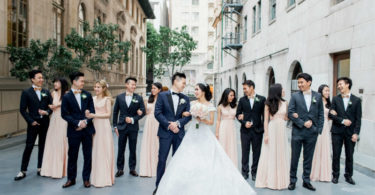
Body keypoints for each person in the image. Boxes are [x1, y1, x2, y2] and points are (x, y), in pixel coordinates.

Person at [156, 83, 256, 195]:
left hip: (204, 132)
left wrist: (201, 118)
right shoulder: (191, 103)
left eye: (197, 89)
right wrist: (185, 114)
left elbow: (211, 122)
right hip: (192, 133)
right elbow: (187, 115)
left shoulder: (210, 105)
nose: (195, 92)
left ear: (203, 91)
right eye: (195, 90)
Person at [153, 72, 192, 195]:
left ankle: (176, 188)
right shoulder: (162, 96)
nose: (185, 85)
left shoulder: (185, 98)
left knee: (178, 161)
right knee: (162, 160)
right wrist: (169, 125)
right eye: (183, 83)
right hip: (165, 133)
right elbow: (157, 113)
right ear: (176, 81)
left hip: (179, 134)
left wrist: (178, 124)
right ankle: (159, 187)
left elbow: (188, 116)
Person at [288, 73, 324, 191]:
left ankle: (306, 181)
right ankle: (292, 180)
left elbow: (321, 114)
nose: (299, 85)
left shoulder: (318, 96)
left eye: (301, 82)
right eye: (298, 82)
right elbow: (290, 113)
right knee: (294, 157)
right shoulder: (295, 96)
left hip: (312, 133)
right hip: (298, 132)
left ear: (309, 82)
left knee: (308, 158)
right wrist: (302, 123)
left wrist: (318, 130)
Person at [15, 70, 52, 181]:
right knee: (29, 146)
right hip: (33, 123)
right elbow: (22, 109)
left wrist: (47, 112)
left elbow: (51, 106)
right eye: (39, 78)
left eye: (42, 78)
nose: (41, 80)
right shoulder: (26, 92)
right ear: (32, 79)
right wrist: (31, 121)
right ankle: (23, 170)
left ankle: (40, 168)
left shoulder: (46, 91)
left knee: (43, 146)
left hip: (45, 123)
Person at [61, 72, 95, 188]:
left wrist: (85, 121)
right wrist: (78, 122)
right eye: (81, 81)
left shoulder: (87, 95)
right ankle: (71, 179)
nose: (83, 83)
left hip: (87, 130)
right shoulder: (66, 97)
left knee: (87, 155)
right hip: (73, 130)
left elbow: (91, 111)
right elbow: (64, 114)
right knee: (72, 155)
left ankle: (86, 179)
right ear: (74, 82)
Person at [255, 83, 290, 190]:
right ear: (277, 91)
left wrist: (291, 116)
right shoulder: (268, 104)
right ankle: (269, 179)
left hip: (281, 129)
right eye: (282, 89)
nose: (284, 90)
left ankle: (280, 180)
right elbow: (265, 120)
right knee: (270, 153)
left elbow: (286, 118)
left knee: (281, 152)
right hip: (272, 129)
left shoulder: (285, 102)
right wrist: (266, 134)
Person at [329, 77, 362, 185]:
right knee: (336, 154)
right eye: (338, 85)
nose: (339, 86)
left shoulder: (357, 100)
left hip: (350, 133)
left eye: (340, 84)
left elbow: (358, 119)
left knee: (349, 155)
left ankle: (348, 176)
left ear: (347, 84)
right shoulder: (335, 99)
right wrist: (342, 120)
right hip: (337, 131)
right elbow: (331, 115)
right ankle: (335, 175)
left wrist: (356, 133)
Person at [113, 77, 145, 178]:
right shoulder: (119, 97)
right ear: (126, 85)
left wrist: (133, 119)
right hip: (121, 126)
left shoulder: (138, 98)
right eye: (132, 84)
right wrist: (115, 126)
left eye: (135, 85)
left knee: (133, 148)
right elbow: (115, 112)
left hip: (133, 127)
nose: (134, 86)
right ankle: (120, 169)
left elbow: (143, 112)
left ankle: (132, 169)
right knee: (121, 149)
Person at [86, 80, 115, 187]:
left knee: (104, 149)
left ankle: (105, 177)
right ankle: (96, 177)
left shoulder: (107, 99)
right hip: (94, 125)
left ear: (103, 88)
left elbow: (108, 114)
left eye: (98, 87)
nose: (96, 89)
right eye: (95, 87)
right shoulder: (92, 99)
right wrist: (88, 114)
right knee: (96, 150)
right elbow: (89, 111)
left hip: (103, 126)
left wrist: (94, 115)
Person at [236, 80, 266, 181]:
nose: (244, 91)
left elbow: (264, 116)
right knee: (245, 152)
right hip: (245, 131)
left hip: (257, 131)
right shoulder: (242, 100)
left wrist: (262, 129)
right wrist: (244, 122)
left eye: (245, 88)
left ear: (252, 87)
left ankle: (255, 172)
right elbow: (238, 114)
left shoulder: (262, 99)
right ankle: (245, 172)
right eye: (243, 88)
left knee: (256, 152)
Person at [40, 78, 69, 178]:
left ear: (62, 83)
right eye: (54, 82)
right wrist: (49, 109)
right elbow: (50, 106)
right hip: (53, 119)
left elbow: (69, 107)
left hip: (63, 120)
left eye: (57, 82)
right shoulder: (53, 93)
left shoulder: (67, 94)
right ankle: (49, 169)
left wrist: (59, 104)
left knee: (61, 141)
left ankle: (60, 170)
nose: (55, 84)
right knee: (51, 142)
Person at [139, 82, 162, 177]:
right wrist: (141, 111)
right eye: (152, 88)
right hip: (149, 122)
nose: (152, 90)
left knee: (156, 144)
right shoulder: (148, 99)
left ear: (159, 90)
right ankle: (146, 169)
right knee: (147, 143)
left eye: (155, 88)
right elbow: (146, 112)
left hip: (157, 122)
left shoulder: (162, 100)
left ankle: (156, 168)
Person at [310, 84, 332, 182]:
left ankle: (324, 174)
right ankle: (315, 173)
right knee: (317, 149)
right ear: (321, 91)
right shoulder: (316, 101)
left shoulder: (329, 103)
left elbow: (329, 117)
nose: (328, 92)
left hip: (327, 127)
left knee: (325, 149)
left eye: (328, 91)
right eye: (326, 90)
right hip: (319, 127)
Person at [215, 88, 238, 167]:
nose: (233, 97)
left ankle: (231, 166)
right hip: (223, 127)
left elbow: (238, 116)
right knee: (223, 146)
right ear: (226, 95)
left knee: (231, 146)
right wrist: (217, 132)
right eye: (231, 95)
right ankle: (222, 166)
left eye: (233, 95)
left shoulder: (235, 106)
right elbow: (218, 120)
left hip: (232, 128)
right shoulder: (220, 107)